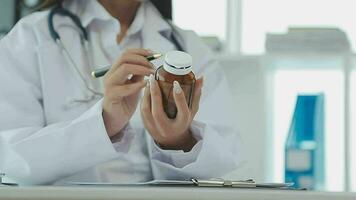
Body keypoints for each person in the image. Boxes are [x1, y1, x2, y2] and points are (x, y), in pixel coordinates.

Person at [0, 0, 245, 185]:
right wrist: (105, 122)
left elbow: (224, 156)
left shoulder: (188, 46)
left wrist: (177, 141)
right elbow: (11, 160)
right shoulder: (30, 38)